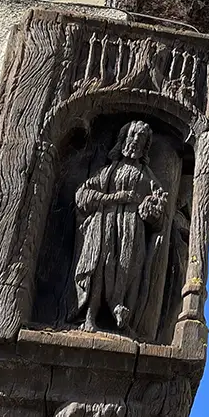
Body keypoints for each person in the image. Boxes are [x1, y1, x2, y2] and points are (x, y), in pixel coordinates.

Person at [72, 120, 168, 333]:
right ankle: (90, 317)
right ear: (123, 139)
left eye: (140, 138)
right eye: (132, 136)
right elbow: (81, 195)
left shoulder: (147, 176)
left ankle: (121, 315)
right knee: (98, 266)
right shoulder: (107, 172)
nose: (135, 141)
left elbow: (159, 209)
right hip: (104, 223)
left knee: (129, 269)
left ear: (145, 146)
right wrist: (114, 197)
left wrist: (152, 205)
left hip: (133, 228)